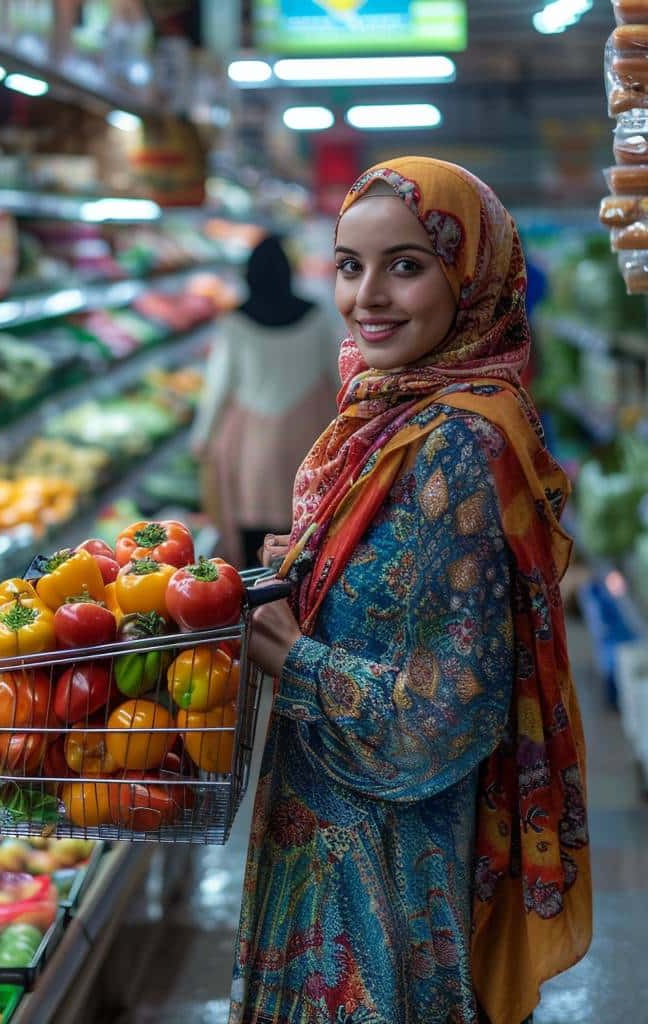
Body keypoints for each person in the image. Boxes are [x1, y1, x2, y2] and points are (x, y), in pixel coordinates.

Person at [231, 158, 591, 1024]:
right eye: (351, 266)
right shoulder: (390, 412)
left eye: (407, 264)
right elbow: (411, 595)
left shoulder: (462, 442)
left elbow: (447, 714)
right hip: (336, 838)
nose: (369, 298)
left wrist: (295, 659)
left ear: (471, 278)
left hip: (386, 873)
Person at [191, 234, 339, 568]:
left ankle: (257, 609)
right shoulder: (315, 317)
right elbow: (339, 377)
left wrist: (201, 440)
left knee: (252, 541)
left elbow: (218, 388)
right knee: (304, 535)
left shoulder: (234, 323)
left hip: (250, 447)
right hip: (310, 440)